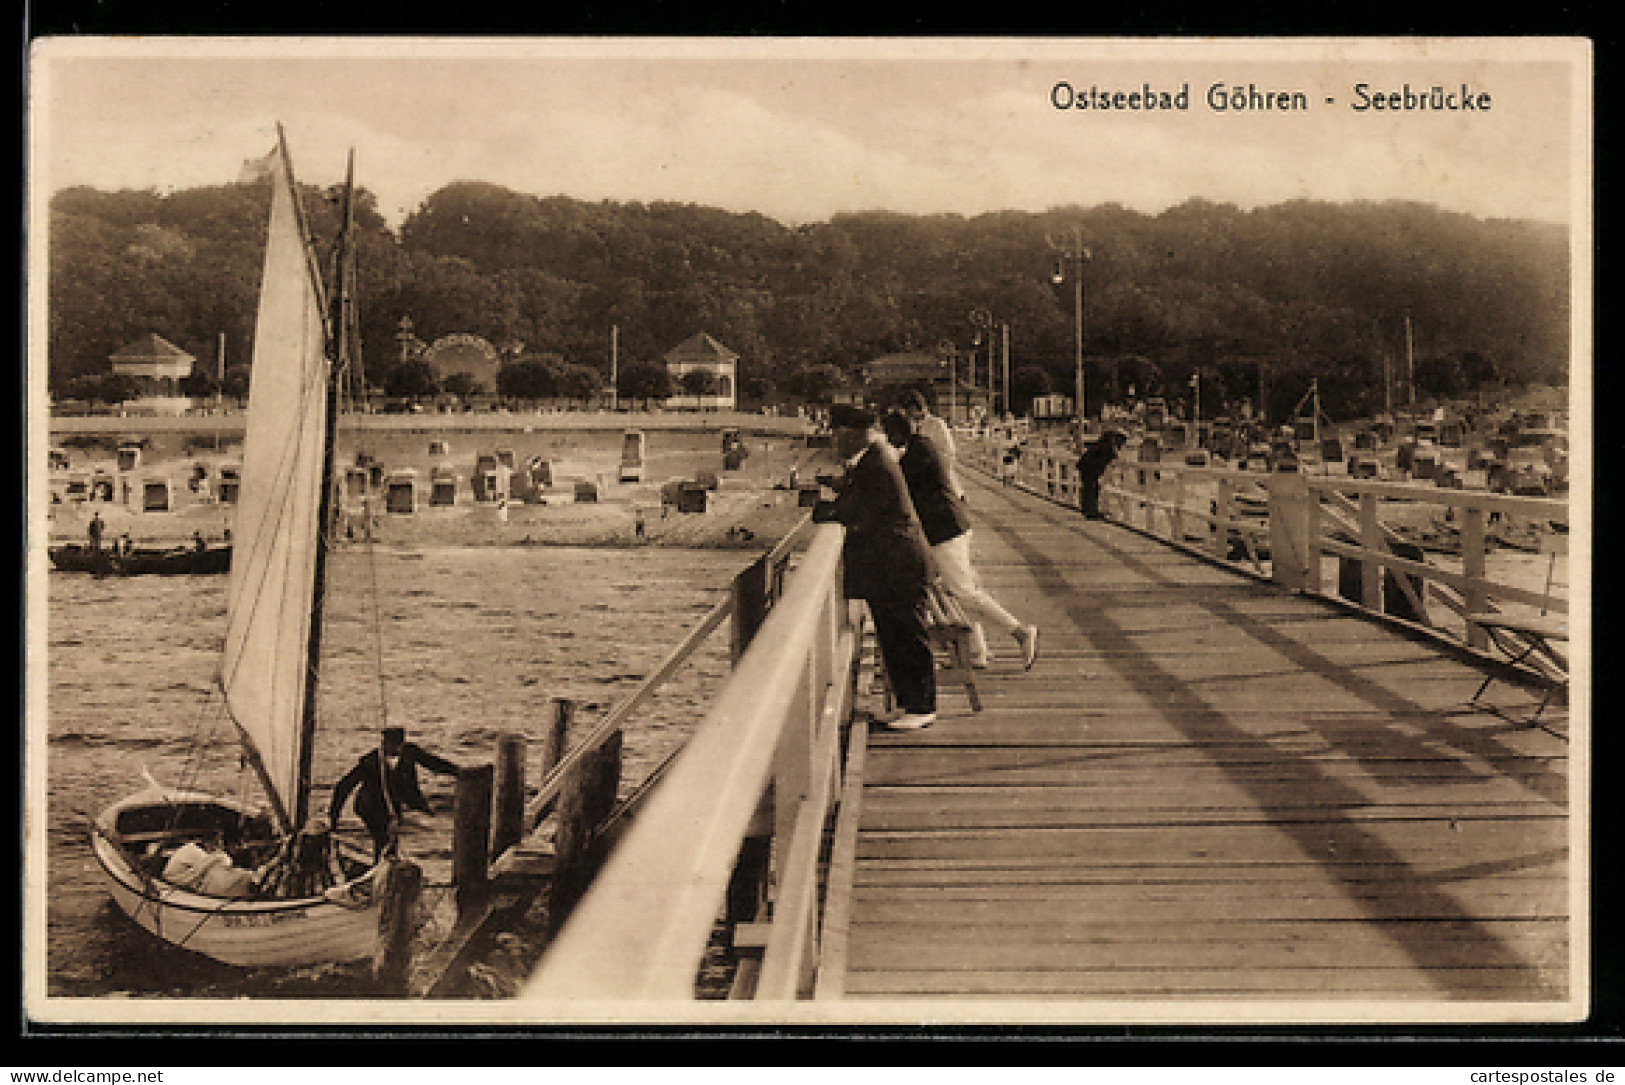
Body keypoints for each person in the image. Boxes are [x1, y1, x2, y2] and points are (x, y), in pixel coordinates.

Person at [812, 404, 938, 730]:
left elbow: (854, 511)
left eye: (837, 433)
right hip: (893, 564)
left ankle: (922, 706)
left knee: (907, 635)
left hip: (901, 564)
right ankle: (908, 703)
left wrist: (824, 510)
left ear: (855, 434)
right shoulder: (872, 459)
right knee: (894, 635)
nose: (834, 441)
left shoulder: (875, 464)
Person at [882, 411, 1038, 671]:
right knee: (958, 589)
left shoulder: (916, 455)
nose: (888, 440)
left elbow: (898, 488)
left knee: (963, 591)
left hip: (945, 530)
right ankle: (977, 651)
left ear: (898, 432)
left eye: (889, 435)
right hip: (951, 526)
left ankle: (1021, 632)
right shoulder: (922, 446)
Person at [329, 726, 461, 858]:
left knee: (393, 836)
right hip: (370, 806)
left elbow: (433, 763)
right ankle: (382, 864)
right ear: (384, 742)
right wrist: (334, 819)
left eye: (398, 744)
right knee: (383, 838)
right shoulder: (370, 761)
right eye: (390, 743)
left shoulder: (409, 752)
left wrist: (457, 772)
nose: (395, 748)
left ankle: (389, 862)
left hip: (395, 802)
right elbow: (344, 786)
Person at [902, 390, 961, 498]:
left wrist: (934, 466)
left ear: (920, 407)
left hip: (938, 478)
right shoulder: (908, 426)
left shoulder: (937, 424)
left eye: (910, 410)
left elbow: (950, 452)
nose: (908, 414)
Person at [1076, 429, 1127, 519]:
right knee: (1091, 488)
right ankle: (1091, 511)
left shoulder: (1101, 444)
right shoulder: (1106, 446)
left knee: (1090, 488)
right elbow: (1112, 455)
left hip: (1087, 466)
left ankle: (1089, 510)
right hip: (1089, 467)